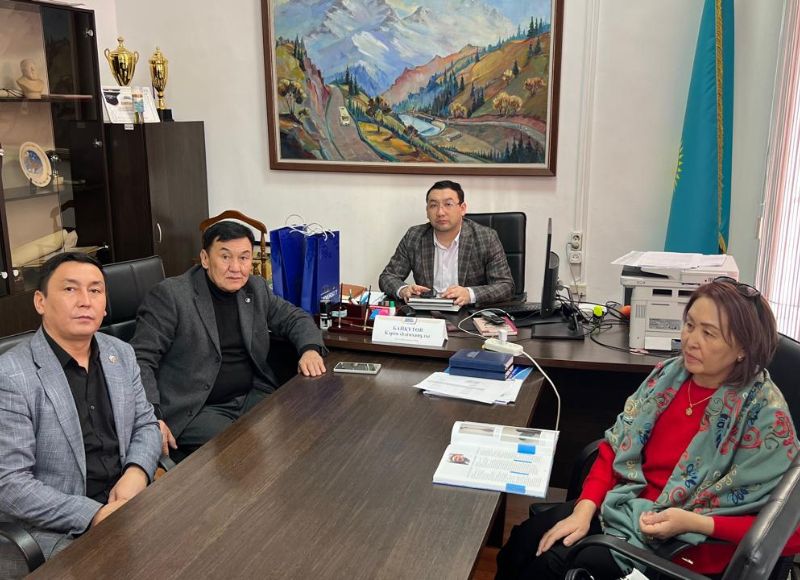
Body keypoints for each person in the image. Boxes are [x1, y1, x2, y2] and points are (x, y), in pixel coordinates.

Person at [496, 277, 800, 579]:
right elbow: (615, 448)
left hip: (683, 545)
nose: (691, 340)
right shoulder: (668, 376)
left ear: (743, 349)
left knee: (552, 565)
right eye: (690, 325)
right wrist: (584, 509)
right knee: (523, 541)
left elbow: (790, 535)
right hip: (623, 504)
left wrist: (695, 523)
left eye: (709, 333)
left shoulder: (765, 416)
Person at [0, 253, 161, 577]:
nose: (85, 301)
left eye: (95, 290)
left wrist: (136, 472)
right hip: (57, 527)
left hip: (127, 500)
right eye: (70, 289)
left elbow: (146, 423)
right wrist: (93, 514)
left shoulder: (121, 353)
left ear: (105, 305)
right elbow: (10, 484)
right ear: (41, 301)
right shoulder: (11, 375)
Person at [131, 221, 327, 462]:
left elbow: (294, 317)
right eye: (225, 257)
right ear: (205, 258)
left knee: (302, 431)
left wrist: (310, 350)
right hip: (199, 409)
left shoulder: (255, 288)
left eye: (244, 258)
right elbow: (141, 359)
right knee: (243, 453)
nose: (236, 268)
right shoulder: (171, 296)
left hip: (252, 395)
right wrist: (151, 416)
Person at [378, 180, 514, 307]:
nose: (440, 212)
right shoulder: (414, 236)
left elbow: (506, 286)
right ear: (427, 211)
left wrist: (470, 294)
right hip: (427, 313)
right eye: (433, 205)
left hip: (467, 313)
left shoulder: (486, 237)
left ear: (462, 208)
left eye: (448, 204)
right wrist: (403, 290)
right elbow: (387, 277)